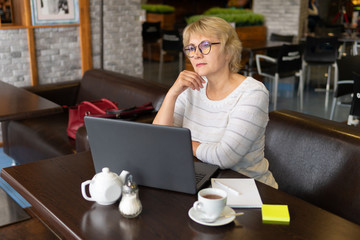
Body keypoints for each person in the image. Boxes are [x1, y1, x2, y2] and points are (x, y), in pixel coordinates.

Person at [153, 16, 278, 189]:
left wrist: (179, 142)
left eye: (205, 46)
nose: (196, 54)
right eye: (191, 48)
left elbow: (224, 157)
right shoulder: (191, 87)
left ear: (228, 51)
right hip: (202, 181)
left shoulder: (252, 93)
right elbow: (159, 138)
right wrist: (172, 93)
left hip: (248, 189)